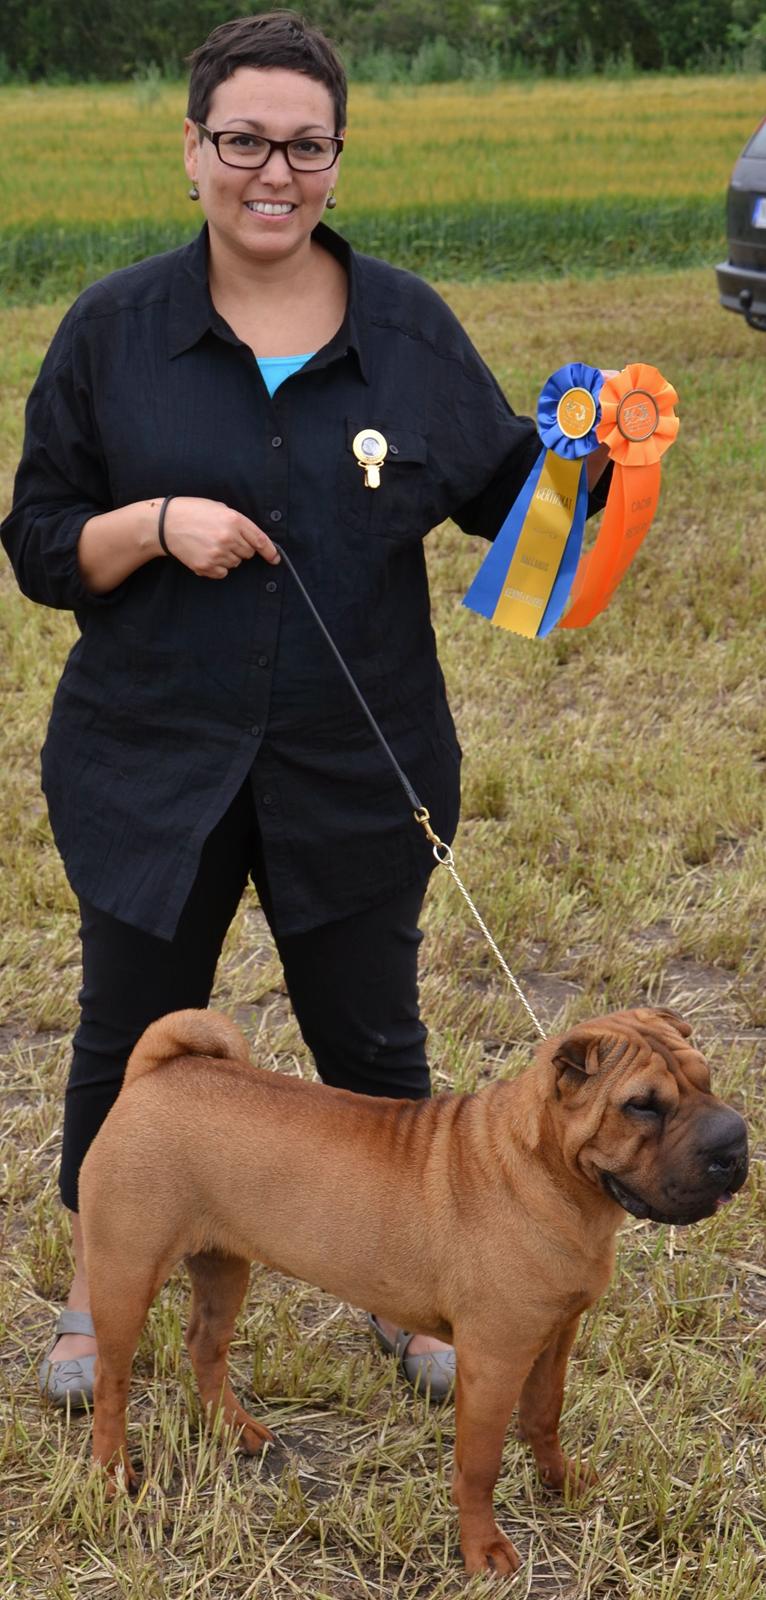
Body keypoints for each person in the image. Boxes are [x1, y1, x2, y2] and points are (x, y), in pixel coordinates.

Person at [2, 10, 610, 1410]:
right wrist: (152, 523)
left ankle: (410, 1293)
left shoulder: (405, 329)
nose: (273, 173)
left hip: (357, 758)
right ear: (193, 149)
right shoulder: (115, 331)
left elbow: (512, 510)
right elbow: (41, 544)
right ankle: (103, 1294)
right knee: (131, 1033)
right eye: (244, 142)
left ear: (338, 157)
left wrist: (597, 468)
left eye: (306, 146)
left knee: (374, 1042)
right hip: (151, 757)